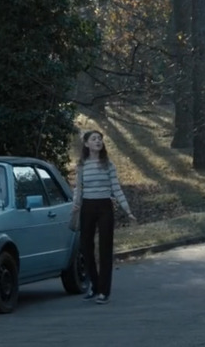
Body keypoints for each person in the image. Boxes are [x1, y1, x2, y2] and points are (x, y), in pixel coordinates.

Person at [72, 129, 136, 305]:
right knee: (86, 247)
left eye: (100, 139)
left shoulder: (108, 165)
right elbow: (78, 188)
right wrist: (75, 205)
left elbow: (116, 189)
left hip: (105, 208)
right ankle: (94, 285)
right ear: (86, 144)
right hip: (87, 207)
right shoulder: (82, 165)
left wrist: (127, 210)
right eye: (94, 139)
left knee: (105, 249)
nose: (98, 141)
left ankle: (104, 292)